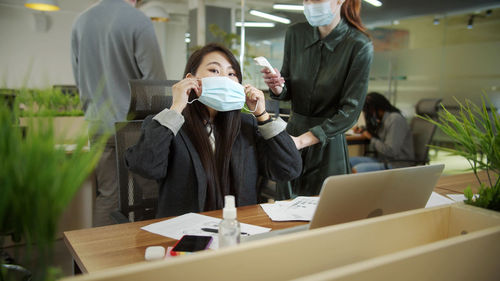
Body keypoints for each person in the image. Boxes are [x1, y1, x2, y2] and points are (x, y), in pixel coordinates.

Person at [124, 43, 302, 218]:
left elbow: (289, 169)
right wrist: (176, 107)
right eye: (214, 70)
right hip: (185, 233)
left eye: (231, 73)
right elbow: (145, 166)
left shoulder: (247, 125)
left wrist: (262, 115)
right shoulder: (168, 125)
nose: (224, 78)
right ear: (190, 79)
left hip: (239, 229)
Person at [261, 0, 373, 196]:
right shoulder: (295, 34)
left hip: (328, 145)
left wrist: (301, 142)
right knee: (284, 211)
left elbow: (350, 113)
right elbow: (288, 87)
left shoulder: (358, 45)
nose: (309, 4)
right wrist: (279, 87)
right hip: (293, 135)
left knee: (326, 214)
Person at [71, 0, 166, 226]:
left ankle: (102, 260)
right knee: (153, 194)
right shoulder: (138, 21)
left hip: (98, 125)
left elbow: (79, 80)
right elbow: (155, 84)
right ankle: (156, 256)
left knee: (108, 196)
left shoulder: (81, 22)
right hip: (134, 128)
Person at [350, 92, 415, 173]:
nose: (369, 114)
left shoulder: (395, 120)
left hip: (398, 164)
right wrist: (365, 130)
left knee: (357, 169)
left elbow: (391, 151)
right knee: (348, 162)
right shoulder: (384, 120)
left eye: (369, 110)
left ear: (378, 108)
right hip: (383, 160)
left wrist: (371, 138)